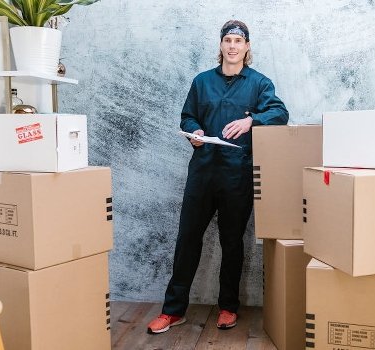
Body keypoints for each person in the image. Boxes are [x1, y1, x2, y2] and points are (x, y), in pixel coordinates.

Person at [147, 20, 289, 334]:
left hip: (237, 176)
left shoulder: (259, 83)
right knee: (187, 240)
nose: (233, 46)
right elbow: (188, 115)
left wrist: (251, 120)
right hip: (202, 172)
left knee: (232, 243)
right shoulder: (201, 82)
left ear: (247, 47)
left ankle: (227, 307)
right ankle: (173, 311)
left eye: (239, 41)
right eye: (228, 40)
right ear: (221, 46)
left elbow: (280, 113)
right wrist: (194, 131)